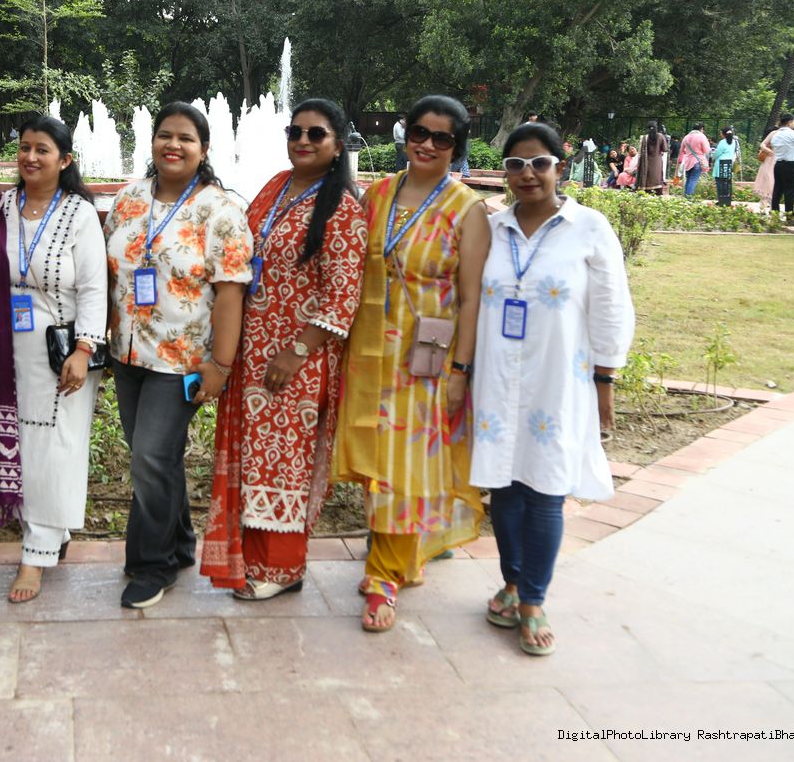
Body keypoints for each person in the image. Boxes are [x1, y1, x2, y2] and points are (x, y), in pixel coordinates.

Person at [472, 121, 634, 656]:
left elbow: (611, 306)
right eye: (515, 165)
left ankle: (534, 599)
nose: (527, 174)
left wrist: (605, 379)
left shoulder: (588, 227)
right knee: (503, 486)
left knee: (544, 489)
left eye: (539, 163)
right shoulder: (493, 229)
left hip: (556, 379)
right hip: (497, 377)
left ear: (559, 168)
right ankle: (512, 582)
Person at [332, 94, 491, 633]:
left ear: (456, 147)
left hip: (425, 360)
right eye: (419, 132)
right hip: (368, 352)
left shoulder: (467, 210)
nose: (426, 144)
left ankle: (383, 578)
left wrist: (460, 370)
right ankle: (403, 556)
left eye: (441, 138)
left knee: (403, 466)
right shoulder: (378, 194)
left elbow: (471, 298)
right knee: (376, 458)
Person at [200, 98, 367, 599]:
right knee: (254, 457)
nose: (303, 141)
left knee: (285, 460)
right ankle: (254, 560)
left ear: (338, 145)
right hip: (252, 348)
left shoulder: (342, 207)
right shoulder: (275, 185)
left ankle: (281, 568)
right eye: (295, 132)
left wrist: (296, 352)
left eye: (316, 134)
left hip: (297, 359)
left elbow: (343, 295)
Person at [104, 102, 254, 609]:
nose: (173, 145)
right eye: (165, 135)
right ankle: (181, 541)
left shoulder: (221, 210)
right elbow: (110, 272)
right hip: (128, 354)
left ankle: (154, 564)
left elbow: (231, 292)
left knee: (149, 456)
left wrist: (221, 366)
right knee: (155, 455)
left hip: (182, 360)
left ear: (204, 149)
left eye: (186, 138)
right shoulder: (129, 199)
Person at [0, 115, 107, 603]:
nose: (30, 157)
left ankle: (36, 554)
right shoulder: (1, 207)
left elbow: (94, 288)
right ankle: (50, 531)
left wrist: (84, 350)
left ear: (64, 160)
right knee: (23, 445)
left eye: (42, 149)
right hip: (6, 348)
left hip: (62, 350)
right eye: (24, 147)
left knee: (54, 448)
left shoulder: (79, 213)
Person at [677, 123, 711, 198]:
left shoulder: (686, 137)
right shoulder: (702, 136)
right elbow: (706, 150)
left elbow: (681, 150)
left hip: (687, 161)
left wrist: (680, 161)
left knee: (688, 179)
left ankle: (685, 197)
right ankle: (688, 197)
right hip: (697, 161)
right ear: (701, 129)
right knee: (693, 180)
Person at [710, 127, 740, 207]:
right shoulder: (734, 142)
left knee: (720, 183)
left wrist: (712, 157)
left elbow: (717, 153)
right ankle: (727, 200)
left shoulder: (722, 142)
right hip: (729, 164)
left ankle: (721, 200)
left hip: (720, 164)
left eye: (721, 133)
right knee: (727, 183)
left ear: (723, 134)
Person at [635, 122, 666, 194]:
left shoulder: (644, 137)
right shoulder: (660, 136)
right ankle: (657, 191)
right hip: (657, 160)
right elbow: (665, 149)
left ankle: (646, 190)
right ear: (656, 128)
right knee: (657, 175)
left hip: (646, 160)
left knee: (647, 174)